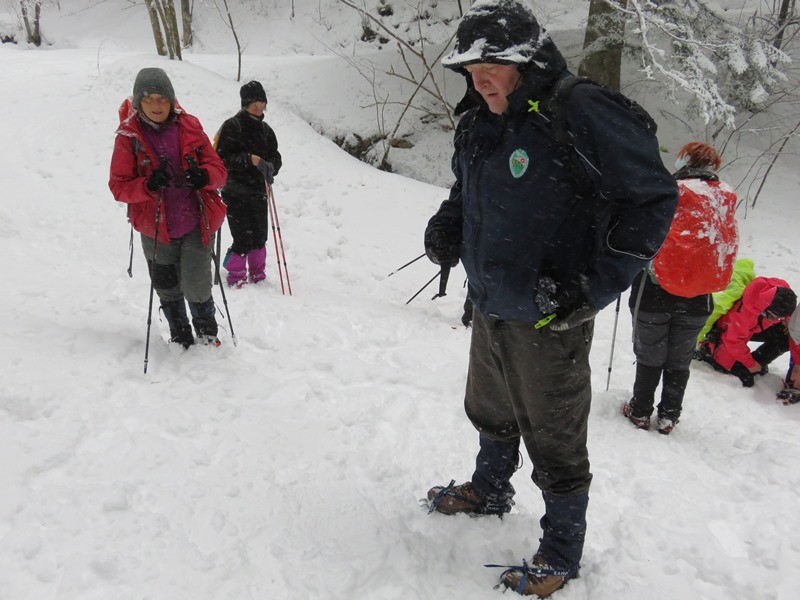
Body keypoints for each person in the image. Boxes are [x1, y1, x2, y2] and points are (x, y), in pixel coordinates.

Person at [422, 1, 678, 596]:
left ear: (528, 61)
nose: (479, 79)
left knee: (555, 436)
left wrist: (592, 286)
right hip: (491, 298)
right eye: (470, 68)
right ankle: (490, 488)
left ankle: (562, 550)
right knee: (490, 406)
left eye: (493, 66)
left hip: (550, 310)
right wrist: (449, 222)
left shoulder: (578, 109)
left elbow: (652, 200)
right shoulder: (480, 118)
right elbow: (470, 187)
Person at [622, 142, 738, 434]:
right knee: (679, 359)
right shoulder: (723, 197)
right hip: (699, 297)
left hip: (655, 292)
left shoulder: (667, 191)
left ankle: (639, 411)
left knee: (650, 354)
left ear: (683, 160)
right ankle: (669, 416)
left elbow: (640, 234)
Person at [109, 67, 227, 348]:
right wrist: (147, 185)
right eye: (148, 99)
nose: (156, 105)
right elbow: (119, 186)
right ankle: (180, 334)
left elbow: (219, 170)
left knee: (198, 286)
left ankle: (208, 334)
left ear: (172, 99)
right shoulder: (128, 138)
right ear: (138, 102)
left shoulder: (190, 127)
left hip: (195, 224)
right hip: (155, 229)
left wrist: (205, 176)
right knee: (166, 285)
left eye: (162, 98)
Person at [215, 81, 282, 287]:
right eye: (254, 101)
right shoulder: (232, 126)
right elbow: (221, 159)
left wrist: (272, 167)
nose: (258, 105)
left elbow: (275, 156)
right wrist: (249, 159)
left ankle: (257, 273)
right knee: (243, 237)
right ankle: (236, 274)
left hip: (259, 189)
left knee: (260, 235)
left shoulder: (266, 130)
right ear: (245, 103)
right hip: (235, 190)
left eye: (261, 101)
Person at [696, 276, 797, 386]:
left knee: (786, 337)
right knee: (745, 378)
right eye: (774, 317)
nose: (777, 320)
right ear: (765, 308)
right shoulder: (743, 314)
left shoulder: (782, 294)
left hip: (753, 328)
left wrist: (787, 320)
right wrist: (750, 364)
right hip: (728, 336)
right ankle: (708, 351)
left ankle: (757, 361)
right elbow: (733, 342)